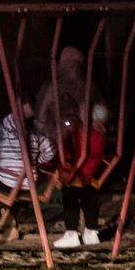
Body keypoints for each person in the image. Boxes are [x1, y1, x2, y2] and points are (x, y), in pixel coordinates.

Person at [0, 112, 55, 240]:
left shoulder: (1, 134)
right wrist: (37, 161)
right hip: (28, 184)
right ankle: (9, 221)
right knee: (13, 193)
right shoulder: (35, 135)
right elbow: (51, 150)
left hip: (7, 182)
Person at [33, 47, 103, 171]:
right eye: (68, 64)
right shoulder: (51, 87)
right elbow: (40, 119)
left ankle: (80, 171)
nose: (71, 69)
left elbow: (100, 111)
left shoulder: (88, 87)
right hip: (56, 133)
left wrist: (96, 120)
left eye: (75, 65)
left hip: (82, 135)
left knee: (95, 138)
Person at [52, 103, 110, 249]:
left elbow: (69, 154)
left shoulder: (82, 133)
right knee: (89, 197)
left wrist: (64, 175)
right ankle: (91, 233)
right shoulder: (100, 135)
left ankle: (71, 233)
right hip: (90, 174)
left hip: (78, 172)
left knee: (70, 195)